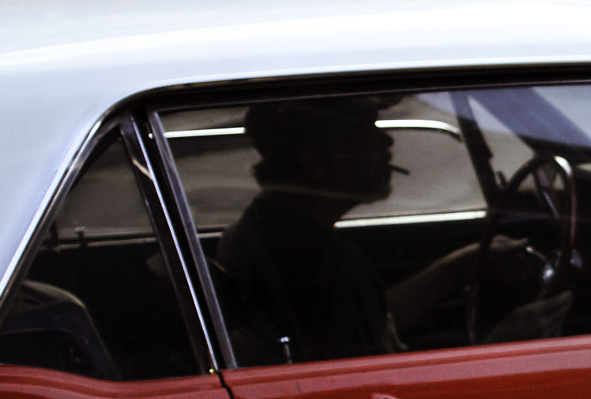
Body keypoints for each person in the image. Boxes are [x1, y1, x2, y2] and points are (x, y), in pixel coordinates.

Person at [217, 100, 524, 364]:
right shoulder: (322, 260)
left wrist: (459, 265)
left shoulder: (265, 226)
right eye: (363, 131)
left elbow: (374, 320)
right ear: (316, 161)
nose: (387, 142)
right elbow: (380, 382)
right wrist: (507, 343)